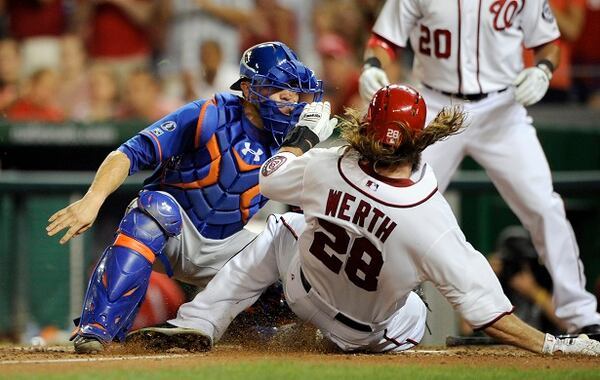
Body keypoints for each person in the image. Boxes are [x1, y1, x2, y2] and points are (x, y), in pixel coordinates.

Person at [127, 85, 600, 356]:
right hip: (368, 332)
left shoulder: (328, 164)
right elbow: (492, 317)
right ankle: (341, 338)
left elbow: (269, 181)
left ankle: (199, 321)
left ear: (369, 127)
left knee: (280, 231)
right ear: (424, 138)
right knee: (414, 296)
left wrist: (299, 138)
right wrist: (554, 347)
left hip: (302, 289)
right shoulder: (430, 218)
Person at [45, 41, 323, 353]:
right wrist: (93, 199)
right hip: (173, 232)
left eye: (296, 93)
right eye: (279, 90)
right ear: (248, 88)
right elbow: (130, 152)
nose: (291, 101)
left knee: (289, 256)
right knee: (154, 210)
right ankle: (97, 330)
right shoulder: (209, 114)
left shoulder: (299, 142)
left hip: (227, 248)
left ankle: (247, 337)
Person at [358, 0, 600, 338]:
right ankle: (363, 310)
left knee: (544, 207)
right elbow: (383, 41)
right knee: (391, 205)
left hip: (501, 110)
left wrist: (543, 69)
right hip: (435, 107)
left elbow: (549, 42)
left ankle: (582, 316)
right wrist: (372, 65)